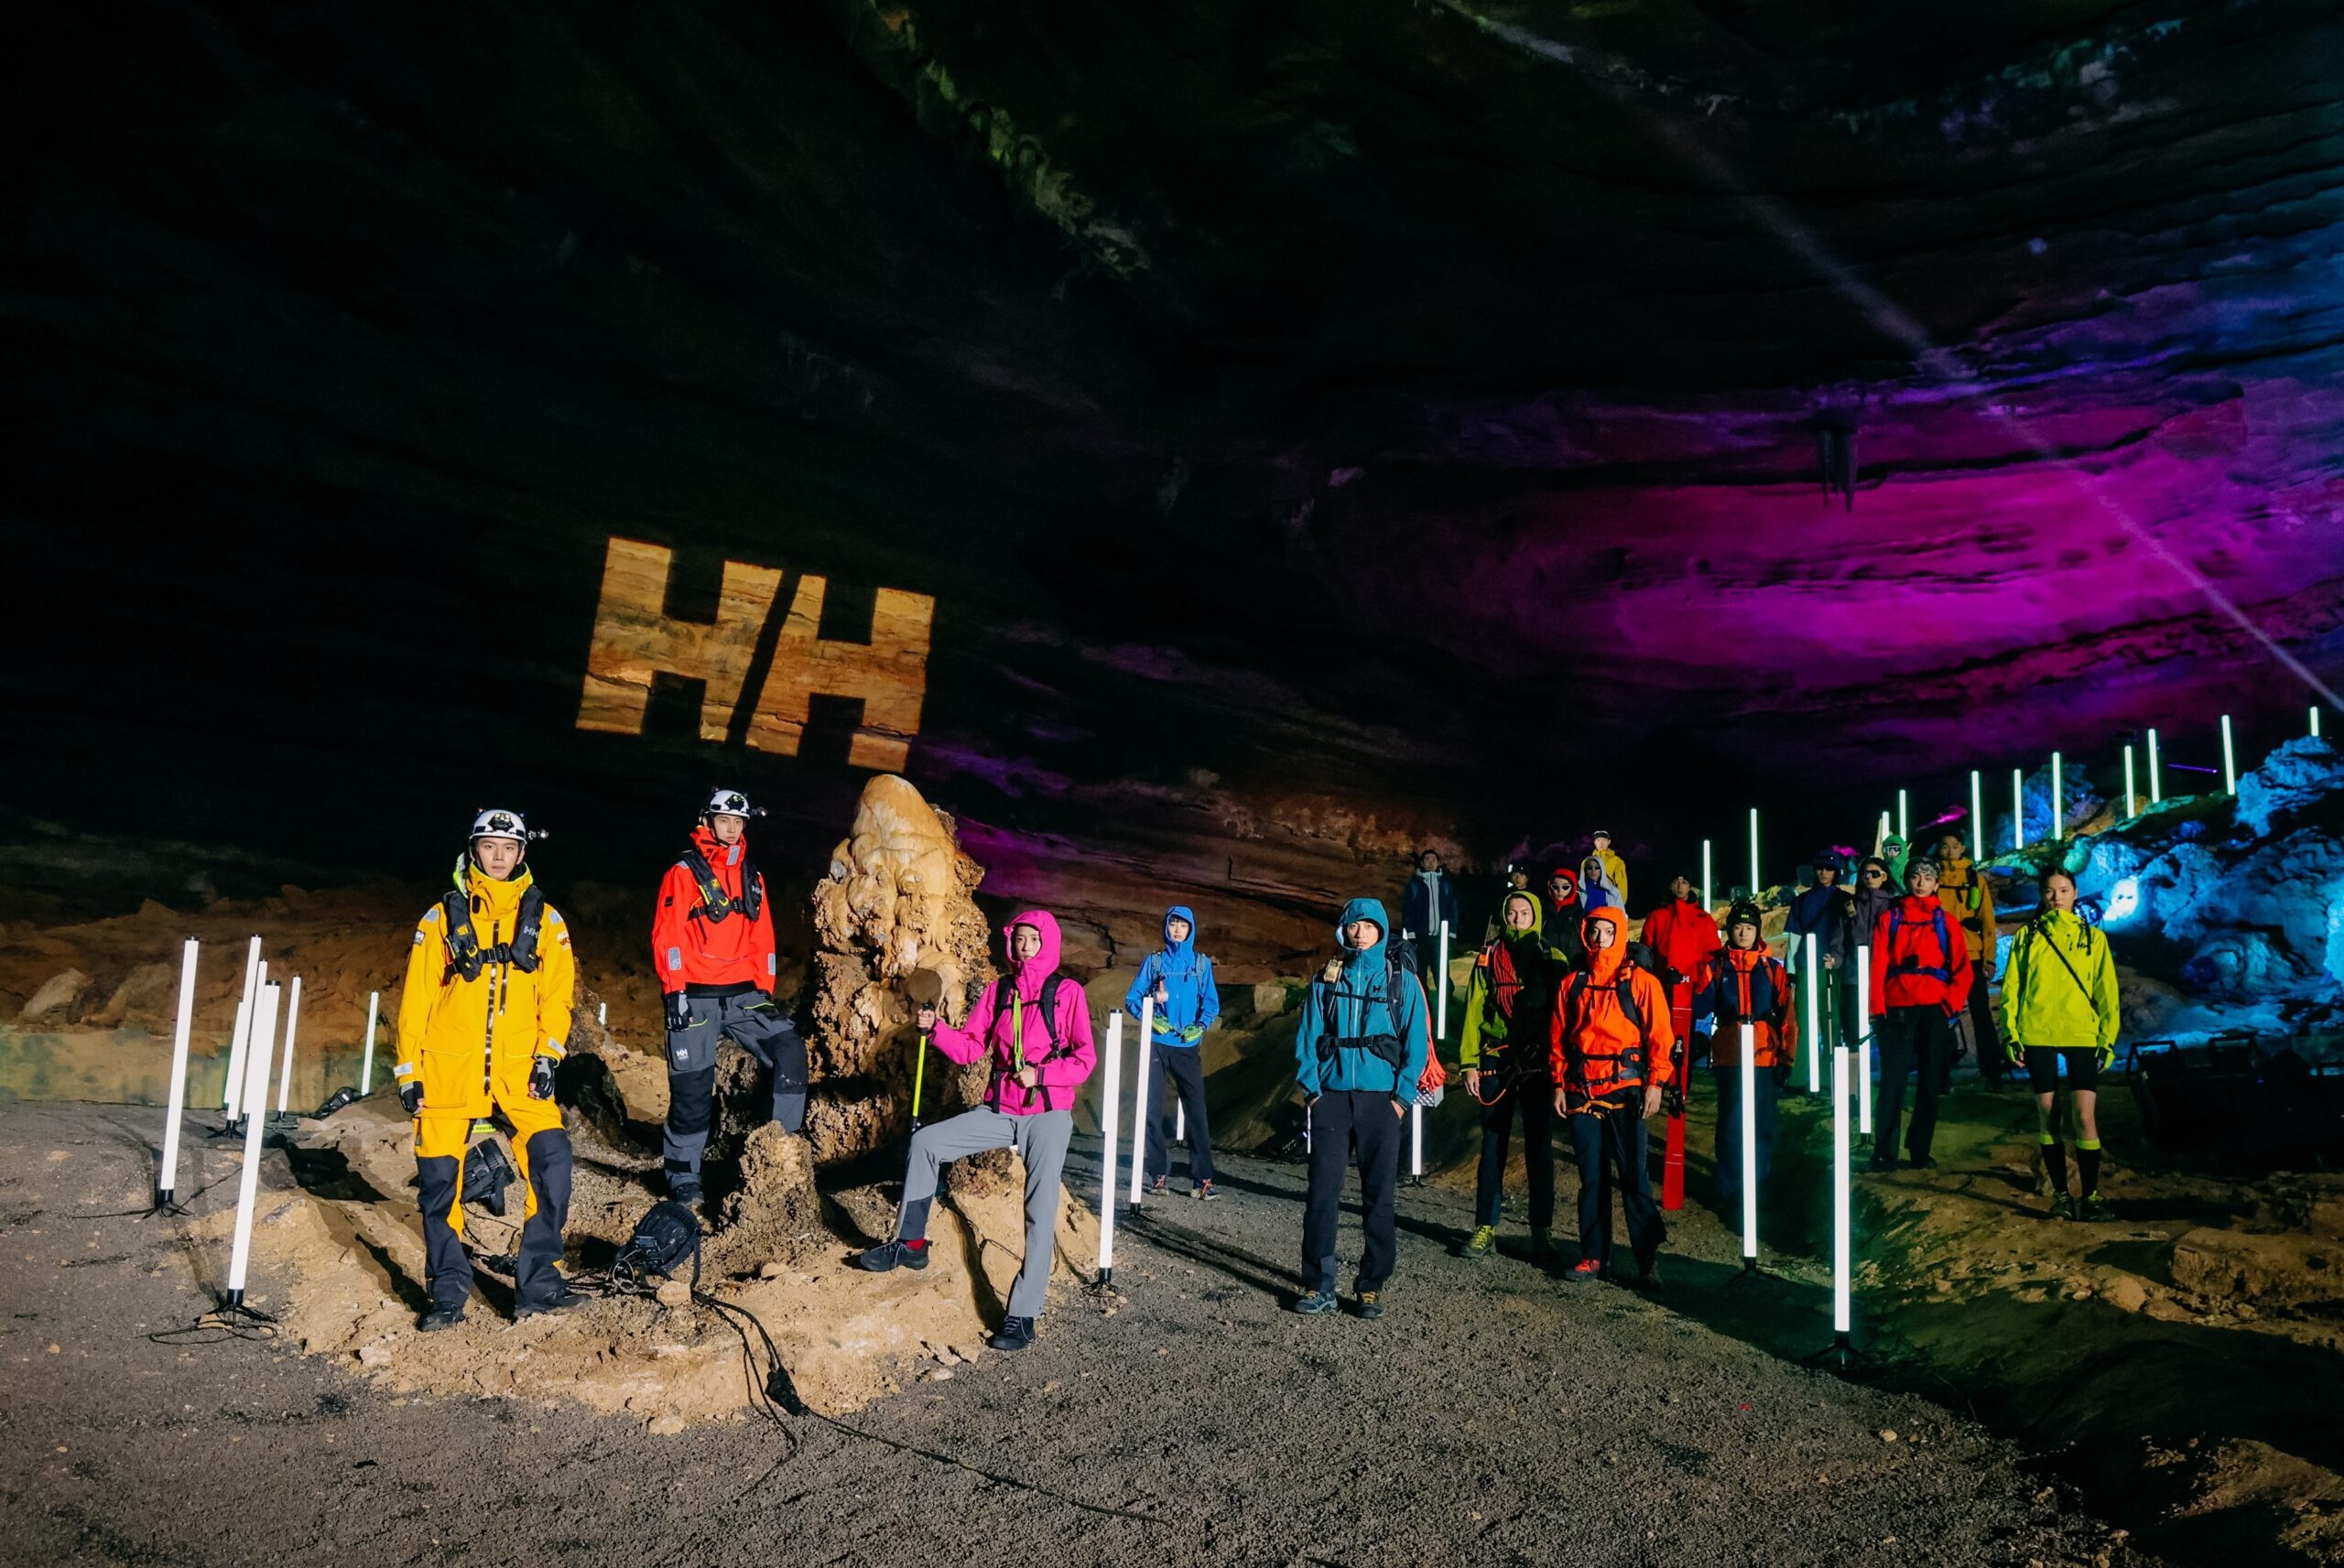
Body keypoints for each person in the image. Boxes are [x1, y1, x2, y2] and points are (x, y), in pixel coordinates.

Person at [859, 911, 1094, 1351]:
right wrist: (937, 1031)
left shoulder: (1067, 993)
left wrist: (1041, 1075)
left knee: (1039, 1205)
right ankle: (910, 1243)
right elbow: (970, 1048)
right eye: (1019, 939)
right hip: (1002, 1109)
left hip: (1047, 1111)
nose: (1025, 947)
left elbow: (1084, 1060)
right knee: (926, 1142)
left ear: (1048, 943)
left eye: (1033, 940)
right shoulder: (998, 992)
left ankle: (1022, 1314)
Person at [393, 809, 580, 1330]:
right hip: (447, 1073)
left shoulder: (547, 922)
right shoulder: (439, 919)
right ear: (474, 849)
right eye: (489, 846)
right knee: (439, 1188)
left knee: (554, 1161)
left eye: (508, 847)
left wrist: (549, 1055)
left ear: (522, 853)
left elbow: (557, 998)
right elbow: (416, 999)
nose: (498, 857)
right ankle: (447, 1294)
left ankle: (538, 1285)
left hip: (519, 1073)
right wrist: (409, 1071)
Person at [651, 789, 807, 1207]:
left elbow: (763, 938)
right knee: (692, 1091)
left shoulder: (752, 876)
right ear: (707, 821)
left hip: (743, 996)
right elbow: (668, 935)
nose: (732, 829)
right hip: (695, 996)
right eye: (724, 821)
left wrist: (764, 990)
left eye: (739, 822)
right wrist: (675, 991)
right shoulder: (683, 873)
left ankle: (778, 1153)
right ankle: (684, 1178)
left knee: (790, 1050)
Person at [1292, 897, 1431, 1318]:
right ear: (1344, 930)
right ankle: (1319, 1284)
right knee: (1322, 1194)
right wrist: (1313, 1091)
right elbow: (1307, 1037)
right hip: (1331, 1098)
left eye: (1369, 926)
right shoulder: (1326, 979)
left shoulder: (1401, 981)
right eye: (1354, 926)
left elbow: (1416, 1043)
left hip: (1381, 1102)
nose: (1360, 933)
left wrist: (1401, 1099)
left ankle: (1371, 1285)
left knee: (1379, 1197)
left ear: (1381, 931)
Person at [1550, 906, 1676, 1288]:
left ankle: (1647, 1259)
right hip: (1583, 1090)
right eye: (1594, 931)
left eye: (1608, 931)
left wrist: (1656, 1082)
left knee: (1634, 1178)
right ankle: (1593, 1256)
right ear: (1585, 934)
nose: (1600, 939)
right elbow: (1558, 1038)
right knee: (1591, 1179)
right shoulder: (1572, 983)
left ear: (1619, 934)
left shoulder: (1642, 983)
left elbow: (1660, 1035)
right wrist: (1558, 1084)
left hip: (1627, 1090)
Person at [1998, 870, 2122, 1220]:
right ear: (2042, 895)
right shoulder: (2027, 937)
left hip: (2081, 1033)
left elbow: (2107, 991)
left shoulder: (2093, 938)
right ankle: (2062, 1197)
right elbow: (2013, 988)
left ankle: (2091, 1197)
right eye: (2050, 891)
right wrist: (2011, 1033)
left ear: (2075, 893)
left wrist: (2107, 1039)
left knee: (2084, 1117)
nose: (2057, 897)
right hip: (2037, 1032)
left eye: (2064, 890)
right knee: (2049, 1116)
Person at [1457, 890, 1564, 1262]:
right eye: (1512, 913)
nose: (1517, 919)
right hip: (1496, 1057)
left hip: (1536, 1062)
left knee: (1539, 1148)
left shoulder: (1553, 958)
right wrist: (1468, 1062)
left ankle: (1542, 1230)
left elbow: (1562, 1015)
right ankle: (1485, 1226)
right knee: (1492, 1146)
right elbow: (1473, 1008)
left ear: (1535, 917)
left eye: (1524, 913)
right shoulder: (1488, 958)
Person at [1866, 858, 1973, 1173]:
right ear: (1908, 879)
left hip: (1933, 1009)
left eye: (1928, 877)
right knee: (1892, 1083)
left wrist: (1948, 1006)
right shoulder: (1890, 919)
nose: (1921, 883)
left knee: (1929, 1082)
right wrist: (1877, 1009)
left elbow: (1963, 970)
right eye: (1916, 876)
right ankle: (1884, 1152)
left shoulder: (1946, 922)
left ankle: (1919, 1150)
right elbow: (1877, 966)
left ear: (1936, 883)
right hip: (1896, 1010)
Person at [1691, 903, 1798, 1209]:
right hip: (1730, 1056)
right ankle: (1728, 1189)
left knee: (1762, 1124)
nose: (1743, 933)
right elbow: (1700, 1006)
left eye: (1749, 928)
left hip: (1764, 1055)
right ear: (1730, 930)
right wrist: (1687, 982)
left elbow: (1788, 1017)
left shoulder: (1771, 969)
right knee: (1730, 1123)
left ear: (1757, 932)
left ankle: (1758, 1188)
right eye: (1738, 927)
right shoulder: (1716, 966)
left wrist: (1787, 1058)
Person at [1123, 904, 1222, 1199]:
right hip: (1157, 1043)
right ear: (1166, 927)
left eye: (1183, 925)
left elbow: (1211, 1003)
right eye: (1173, 924)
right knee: (1152, 1109)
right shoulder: (1154, 962)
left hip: (1186, 1047)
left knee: (1196, 1112)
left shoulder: (1200, 964)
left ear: (1191, 929)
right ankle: (1158, 1175)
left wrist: (1201, 1026)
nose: (1177, 930)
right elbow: (1132, 999)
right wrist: (1151, 1017)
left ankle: (1203, 1179)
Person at [1933, 832, 2003, 1087]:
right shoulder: (1933, 878)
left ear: (1963, 847)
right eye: (1945, 846)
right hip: (1941, 957)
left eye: (1955, 846)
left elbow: (1987, 921)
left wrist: (1989, 959)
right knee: (1940, 1016)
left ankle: (1992, 1073)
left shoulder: (1974, 878)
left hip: (1971, 955)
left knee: (1981, 1014)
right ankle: (1940, 1076)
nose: (1950, 851)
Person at [1783, 852, 1852, 1070]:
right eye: (1820, 868)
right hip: (1807, 965)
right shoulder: (1802, 900)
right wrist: (1791, 971)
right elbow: (1794, 937)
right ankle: (1800, 1072)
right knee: (1804, 1020)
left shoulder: (1845, 900)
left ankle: (1827, 1073)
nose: (1824, 872)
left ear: (1836, 872)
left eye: (1829, 868)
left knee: (1832, 1021)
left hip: (1835, 967)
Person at [1643, 873, 1722, 1064]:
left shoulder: (1703, 918)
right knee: (1660, 1038)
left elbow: (1712, 954)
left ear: (1690, 886)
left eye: (1684, 882)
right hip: (1662, 987)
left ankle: (1684, 1076)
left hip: (1691, 989)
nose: (1680, 886)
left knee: (1685, 1040)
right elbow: (1645, 952)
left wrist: (1702, 984)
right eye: (1676, 882)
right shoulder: (1657, 917)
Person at [1400, 849, 1463, 1016]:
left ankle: (1447, 999)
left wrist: (1451, 933)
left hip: (1439, 938)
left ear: (1438, 862)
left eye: (1433, 859)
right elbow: (1408, 911)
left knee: (1441, 971)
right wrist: (1410, 934)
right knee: (1420, 971)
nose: (1430, 862)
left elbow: (1452, 910)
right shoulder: (1414, 886)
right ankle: (1423, 1003)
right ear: (1421, 863)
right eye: (1427, 859)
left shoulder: (1445, 885)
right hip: (1421, 937)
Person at [1540, 866, 1590, 971]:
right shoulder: (1542, 911)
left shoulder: (1580, 914)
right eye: (1555, 887)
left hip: (1573, 967)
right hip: (1547, 967)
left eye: (1565, 887)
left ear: (1573, 887)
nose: (1560, 891)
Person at [1582, 829, 1629, 912]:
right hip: (1590, 896)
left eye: (1604, 840)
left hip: (1609, 897)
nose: (1601, 843)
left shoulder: (1617, 861)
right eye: (1598, 840)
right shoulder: (1587, 861)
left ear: (1609, 842)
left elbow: (1622, 883)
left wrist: (1620, 903)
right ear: (1594, 842)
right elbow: (1582, 882)